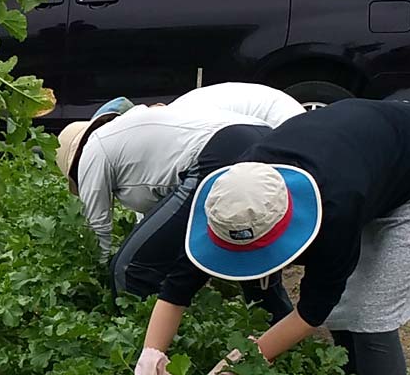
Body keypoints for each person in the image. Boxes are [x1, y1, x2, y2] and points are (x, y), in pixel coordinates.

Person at [115, 99, 410, 375]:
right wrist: (147, 368)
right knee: (350, 308)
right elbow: (179, 283)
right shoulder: (230, 191)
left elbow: (315, 309)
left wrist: (243, 362)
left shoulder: (335, 208)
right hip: (366, 150)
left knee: (370, 311)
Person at [55, 84, 303, 322]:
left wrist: (95, 284)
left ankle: (137, 347)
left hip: (220, 151)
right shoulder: (129, 137)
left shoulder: (92, 150)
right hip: (258, 138)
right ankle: (283, 340)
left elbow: (98, 230)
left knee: (130, 268)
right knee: (250, 257)